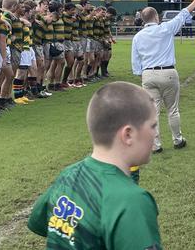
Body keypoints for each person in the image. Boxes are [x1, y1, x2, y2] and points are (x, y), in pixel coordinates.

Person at [27, 82, 163, 249]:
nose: (156, 133)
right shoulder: (132, 201)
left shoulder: (68, 175)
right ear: (128, 134)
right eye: (153, 126)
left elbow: (38, 221)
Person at [132, 0, 195, 153]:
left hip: (148, 74)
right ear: (156, 17)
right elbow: (183, 14)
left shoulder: (137, 36)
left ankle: (156, 145)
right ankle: (177, 139)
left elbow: (135, 62)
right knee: (173, 109)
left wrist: (142, 75)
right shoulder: (165, 28)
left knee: (152, 113)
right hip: (168, 72)